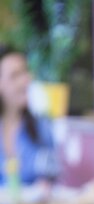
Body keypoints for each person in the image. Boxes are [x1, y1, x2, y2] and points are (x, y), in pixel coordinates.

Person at [0, 45, 58, 186]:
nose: (25, 80)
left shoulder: (42, 127)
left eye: (25, 71)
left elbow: (52, 176)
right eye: (14, 75)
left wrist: (46, 184)